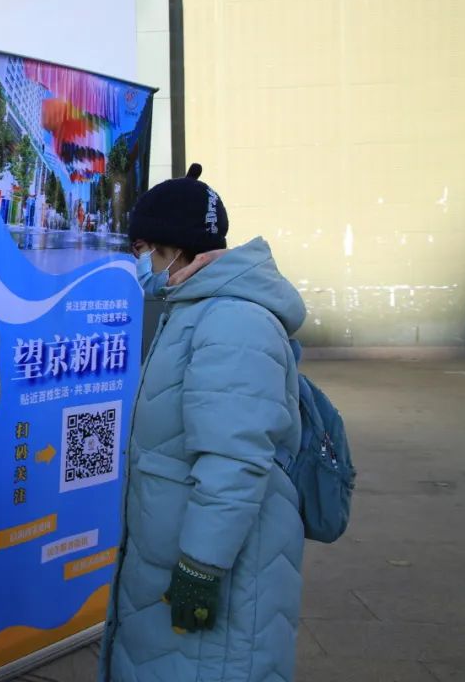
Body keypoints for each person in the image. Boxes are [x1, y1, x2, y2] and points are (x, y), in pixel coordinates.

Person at [100, 164, 305, 682]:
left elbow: (234, 458)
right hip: (172, 549)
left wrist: (201, 566)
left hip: (220, 566)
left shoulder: (232, 321)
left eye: (142, 248)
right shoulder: (196, 309)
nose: (139, 262)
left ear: (173, 247)